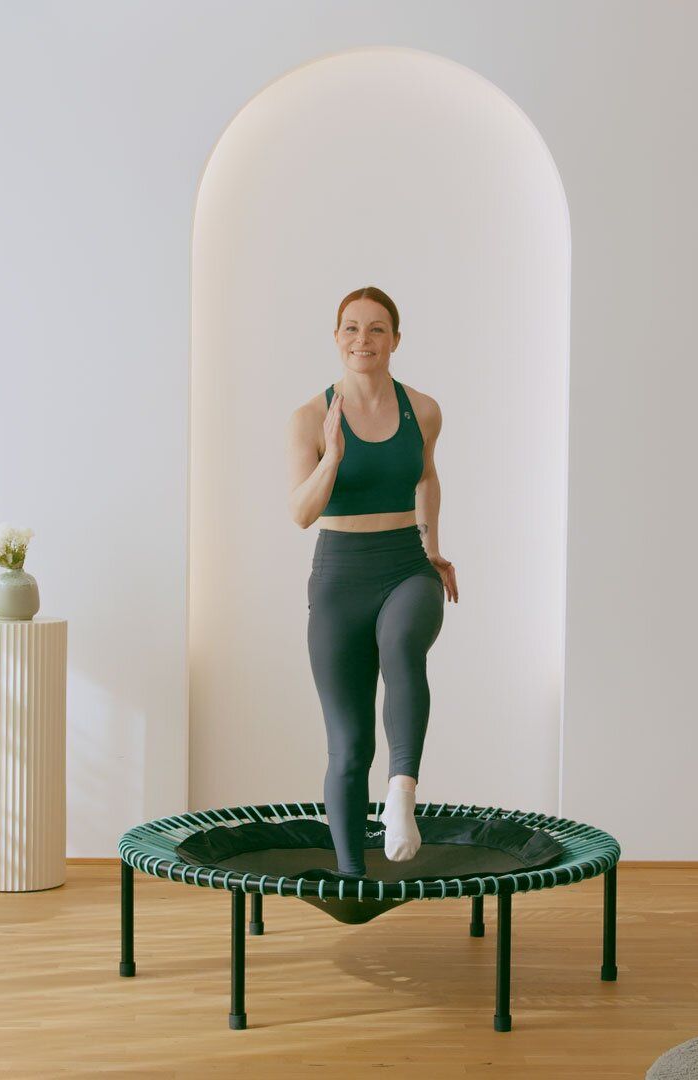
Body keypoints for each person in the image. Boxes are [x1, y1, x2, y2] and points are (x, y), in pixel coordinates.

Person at [286, 286, 459, 879]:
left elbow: (427, 477)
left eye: (378, 329)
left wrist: (433, 549)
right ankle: (350, 874)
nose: (365, 339)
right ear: (337, 338)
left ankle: (402, 794)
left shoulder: (424, 409)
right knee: (349, 743)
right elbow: (301, 513)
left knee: (402, 645)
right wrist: (332, 456)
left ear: (395, 340)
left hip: (405, 565)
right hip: (338, 577)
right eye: (353, 329)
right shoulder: (310, 417)